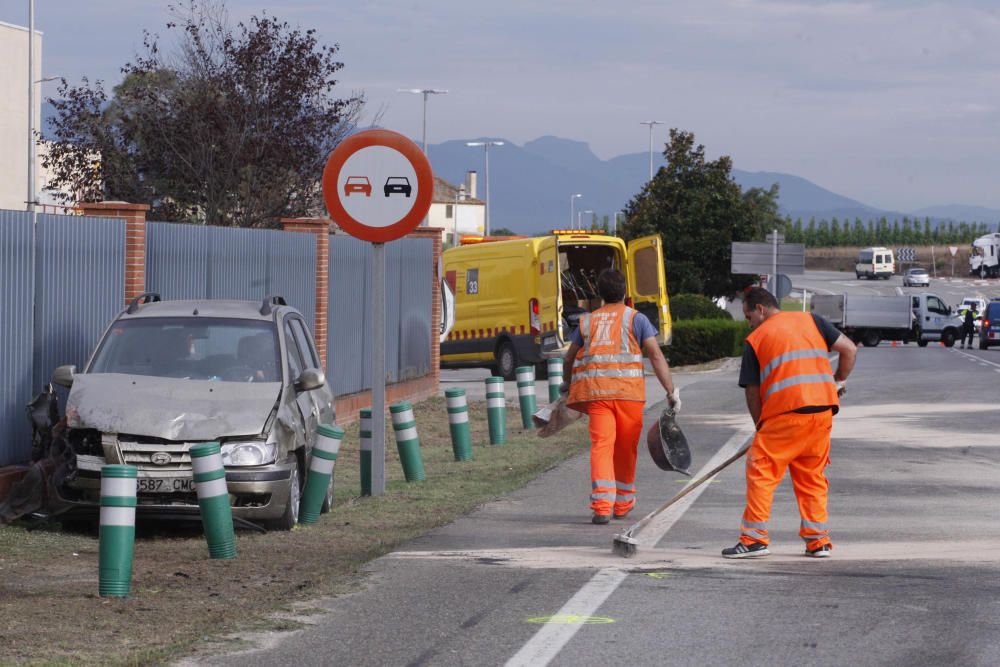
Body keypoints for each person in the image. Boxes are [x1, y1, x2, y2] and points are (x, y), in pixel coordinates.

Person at [725, 286, 857, 559]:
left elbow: (752, 390)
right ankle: (818, 541)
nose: (749, 323)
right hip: (822, 412)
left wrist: (760, 426)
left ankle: (753, 539)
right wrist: (838, 381)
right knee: (811, 477)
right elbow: (849, 349)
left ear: (760, 309)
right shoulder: (813, 320)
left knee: (761, 469)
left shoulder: (756, 338)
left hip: (786, 414)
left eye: (749, 316)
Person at [561, 268, 680, 525]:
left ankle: (602, 506)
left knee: (601, 447)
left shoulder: (587, 322)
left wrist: (567, 384)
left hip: (598, 395)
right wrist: (670, 391)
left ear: (600, 294)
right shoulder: (637, 320)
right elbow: (656, 356)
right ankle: (623, 503)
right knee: (625, 449)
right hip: (629, 396)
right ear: (624, 292)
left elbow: (569, 357)